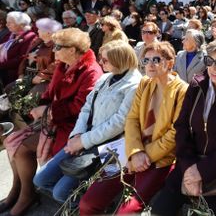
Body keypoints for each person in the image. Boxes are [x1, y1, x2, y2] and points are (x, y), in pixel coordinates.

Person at [150, 37, 216, 215]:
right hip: (188, 162)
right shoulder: (196, 83)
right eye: (209, 61)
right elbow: (182, 126)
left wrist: (202, 171)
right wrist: (189, 167)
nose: (213, 68)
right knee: (160, 210)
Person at [1, 28, 102, 216]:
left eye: (58, 46)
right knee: (12, 140)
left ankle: (26, 195)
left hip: (73, 127)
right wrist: (40, 105)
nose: (53, 50)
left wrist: (48, 111)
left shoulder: (91, 71)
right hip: (55, 121)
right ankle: (17, 189)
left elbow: (79, 108)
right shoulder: (64, 64)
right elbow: (50, 93)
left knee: (21, 146)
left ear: (72, 50)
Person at [79, 41, 186, 215]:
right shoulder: (144, 83)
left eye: (156, 59)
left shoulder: (183, 91)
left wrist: (143, 156)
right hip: (129, 151)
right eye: (146, 60)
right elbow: (132, 119)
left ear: (170, 62)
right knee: (88, 202)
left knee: (127, 212)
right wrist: (135, 152)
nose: (149, 65)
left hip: (159, 159)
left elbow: (174, 135)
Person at [33, 40, 142, 203]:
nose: (100, 62)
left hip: (108, 145)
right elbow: (86, 109)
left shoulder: (134, 85)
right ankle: (85, 201)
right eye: (101, 58)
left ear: (119, 60)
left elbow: (119, 123)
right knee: (40, 179)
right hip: (84, 138)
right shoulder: (105, 78)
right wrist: (75, 136)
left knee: (60, 193)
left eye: (105, 60)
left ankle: (93, 205)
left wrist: (83, 142)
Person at [0, 11, 38, 87]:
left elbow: (21, 58)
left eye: (10, 23)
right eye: (7, 22)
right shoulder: (10, 35)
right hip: (4, 72)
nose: (7, 25)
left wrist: (1, 65)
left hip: (15, 74)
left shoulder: (30, 37)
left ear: (21, 24)